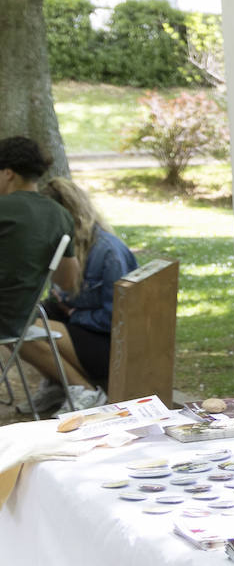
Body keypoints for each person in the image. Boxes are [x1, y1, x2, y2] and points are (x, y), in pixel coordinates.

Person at [18, 177, 138, 412]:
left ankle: (86, 391)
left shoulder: (109, 252)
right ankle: (58, 384)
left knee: (26, 331)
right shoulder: (64, 246)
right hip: (84, 332)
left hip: (110, 344)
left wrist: (74, 313)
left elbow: (115, 319)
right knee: (16, 324)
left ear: (67, 216)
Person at [0, 137, 79, 410]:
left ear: (8, 173)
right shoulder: (60, 215)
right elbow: (68, 281)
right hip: (24, 313)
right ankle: (80, 391)